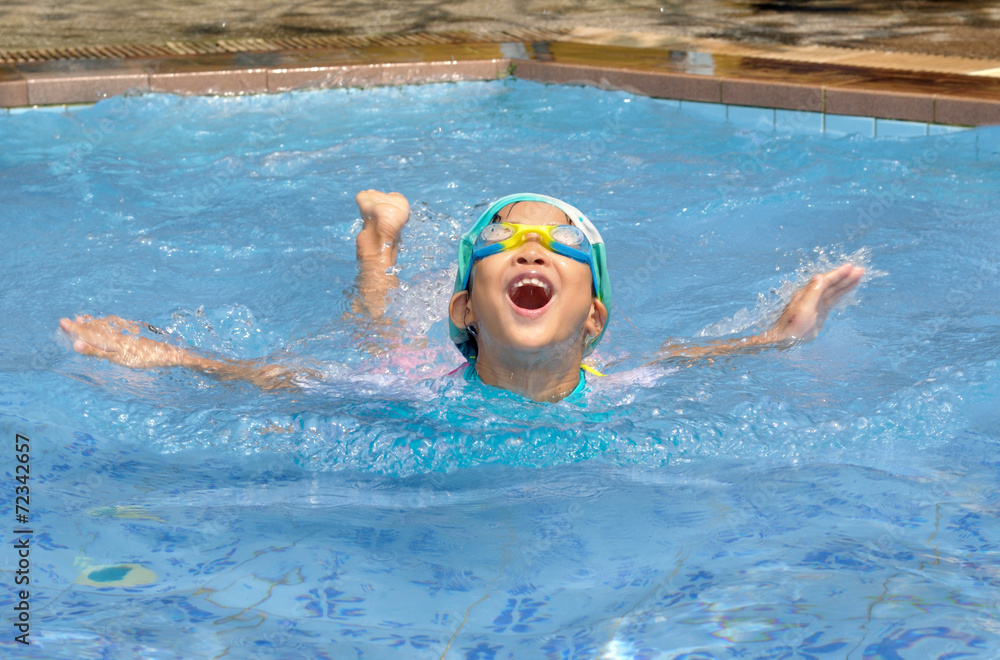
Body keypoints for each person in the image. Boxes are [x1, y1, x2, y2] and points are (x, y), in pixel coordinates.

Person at [59, 189, 864, 402]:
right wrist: (164, 355)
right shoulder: (408, 390)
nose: (533, 248)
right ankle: (379, 243)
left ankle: (382, 238)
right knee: (374, 334)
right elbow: (272, 377)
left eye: (561, 244)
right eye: (506, 241)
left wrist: (784, 335)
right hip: (421, 371)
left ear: (594, 319)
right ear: (467, 309)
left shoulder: (620, 388)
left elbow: (703, 358)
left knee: (379, 329)